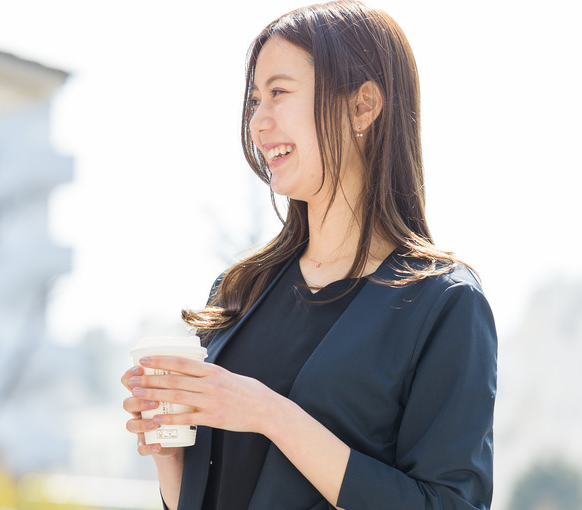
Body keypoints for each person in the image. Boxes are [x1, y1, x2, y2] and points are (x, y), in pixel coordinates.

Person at [121, 1, 496, 509]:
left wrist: (270, 415)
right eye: (255, 100)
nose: (258, 120)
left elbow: (450, 502)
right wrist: (170, 457)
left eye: (278, 92)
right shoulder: (240, 289)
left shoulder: (443, 304)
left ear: (363, 106)